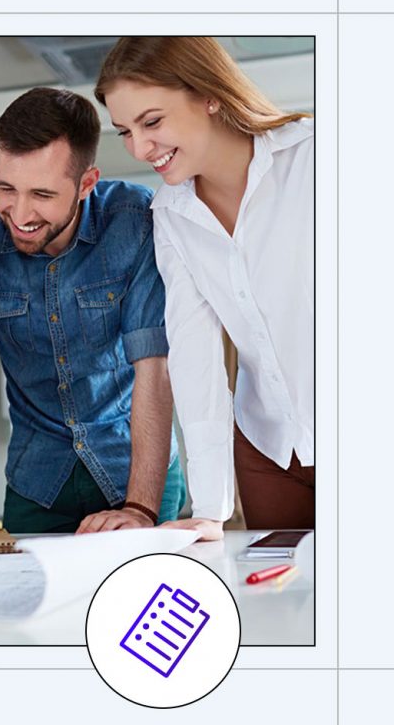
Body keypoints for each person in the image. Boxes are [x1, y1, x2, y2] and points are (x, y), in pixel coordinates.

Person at [0, 87, 185, 536]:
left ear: (86, 183)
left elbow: (154, 370)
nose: (20, 213)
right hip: (37, 481)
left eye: (43, 194)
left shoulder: (136, 220)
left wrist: (141, 509)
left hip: (135, 468)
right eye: (5, 188)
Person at [94, 37, 314, 537]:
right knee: (281, 608)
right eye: (125, 131)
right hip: (268, 449)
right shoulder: (170, 214)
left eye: (152, 122)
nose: (139, 147)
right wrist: (209, 508)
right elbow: (194, 357)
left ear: (209, 94)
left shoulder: (315, 157)